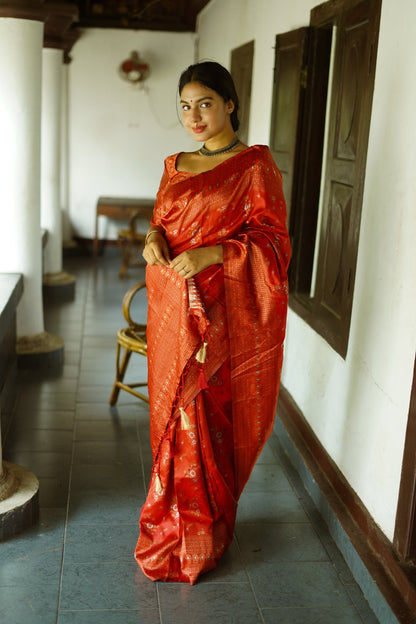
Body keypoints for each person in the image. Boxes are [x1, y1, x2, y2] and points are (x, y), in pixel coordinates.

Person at [134, 61, 291, 584]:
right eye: (184, 105)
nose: (193, 115)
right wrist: (153, 239)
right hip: (172, 308)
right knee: (173, 423)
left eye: (204, 103)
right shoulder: (174, 164)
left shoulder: (254, 166)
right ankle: (167, 524)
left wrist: (211, 256)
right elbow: (161, 222)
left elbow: (273, 244)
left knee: (203, 418)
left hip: (223, 318)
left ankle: (204, 529)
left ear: (229, 103)